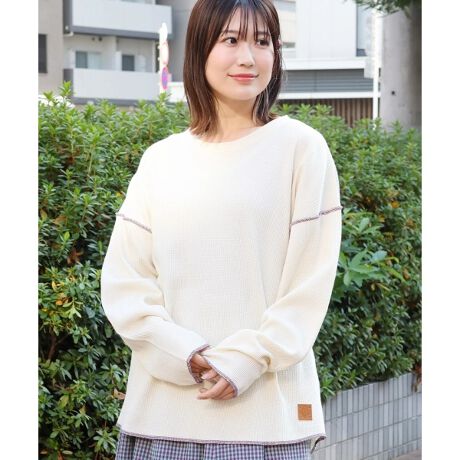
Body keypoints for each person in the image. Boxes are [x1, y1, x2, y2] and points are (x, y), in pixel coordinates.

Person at [100, 0, 343, 458]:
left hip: (265, 422)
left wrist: (248, 358)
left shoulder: (301, 149)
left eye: (262, 41)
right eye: (230, 40)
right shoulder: (161, 160)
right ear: (200, 49)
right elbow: (126, 282)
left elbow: (308, 285)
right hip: (161, 419)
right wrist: (184, 354)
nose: (248, 57)